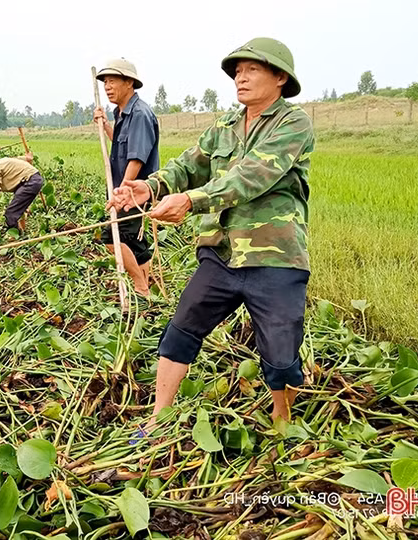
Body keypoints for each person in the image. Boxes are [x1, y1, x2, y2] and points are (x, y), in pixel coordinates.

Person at [108, 38, 315, 427]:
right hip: (221, 254)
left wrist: (189, 201)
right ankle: (157, 419)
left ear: (280, 77)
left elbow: (251, 175)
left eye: (252, 69)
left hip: (274, 257)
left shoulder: (293, 123)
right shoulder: (225, 126)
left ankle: (282, 420)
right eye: (237, 71)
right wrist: (149, 187)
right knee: (180, 329)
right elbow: (187, 166)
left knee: (282, 354)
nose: (241, 77)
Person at [93, 58, 159, 297]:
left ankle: (140, 287)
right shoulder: (121, 113)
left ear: (129, 82)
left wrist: (121, 191)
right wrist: (106, 126)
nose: (107, 87)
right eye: (105, 82)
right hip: (126, 189)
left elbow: (137, 158)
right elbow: (121, 146)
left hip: (134, 190)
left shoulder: (140, 114)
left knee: (111, 236)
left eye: (112, 81)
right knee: (134, 242)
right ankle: (148, 286)